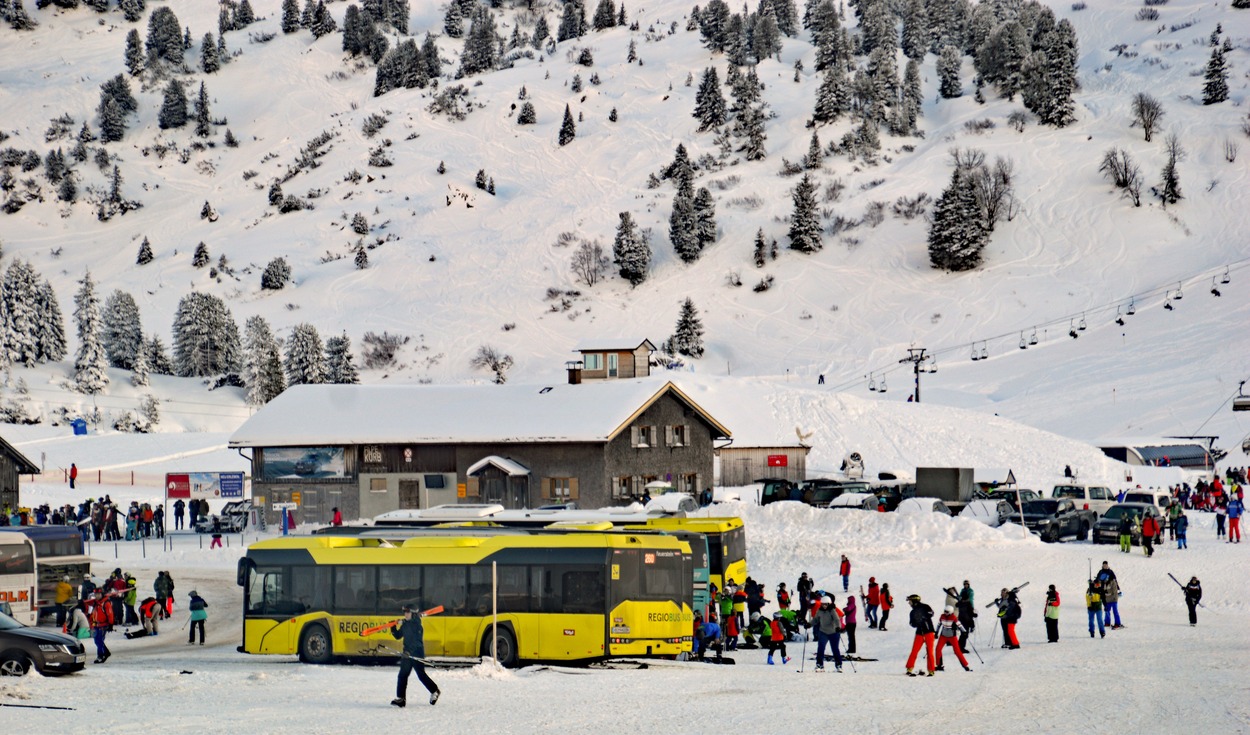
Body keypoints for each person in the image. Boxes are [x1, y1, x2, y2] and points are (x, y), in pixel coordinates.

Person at [391, 604, 440, 707]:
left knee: (421, 675)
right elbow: (398, 636)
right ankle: (401, 699)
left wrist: (409, 651)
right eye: (405, 612)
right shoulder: (405, 624)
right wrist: (393, 628)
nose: (405, 614)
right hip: (406, 654)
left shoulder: (417, 626)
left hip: (416, 653)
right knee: (402, 675)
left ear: (413, 614)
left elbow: (417, 642)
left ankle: (435, 691)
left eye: (408, 612)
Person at [904, 594, 936, 677]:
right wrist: (915, 623)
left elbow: (931, 613)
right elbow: (911, 623)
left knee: (929, 651)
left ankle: (931, 670)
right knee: (914, 650)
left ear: (914, 601)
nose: (909, 603)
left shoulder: (925, 606)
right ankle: (909, 668)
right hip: (919, 633)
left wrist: (923, 617)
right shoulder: (912, 612)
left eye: (910, 601)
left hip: (928, 632)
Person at [934, 605, 972, 672]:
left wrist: (964, 632)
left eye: (947, 612)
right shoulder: (942, 616)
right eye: (945, 611)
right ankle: (939, 665)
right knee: (938, 649)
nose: (945, 613)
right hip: (943, 636)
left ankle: (965, 666)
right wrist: (936, 632)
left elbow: (960, 625)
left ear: (951, 612)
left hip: (952, 637)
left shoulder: (953, 618)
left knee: (957, 651)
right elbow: (939, 624)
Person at [812, 595, 843, 672]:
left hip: (833, 633)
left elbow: (837, 620)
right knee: (820, 648)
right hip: (823, 632)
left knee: (835, 649)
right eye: (822, 604)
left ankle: (839, 665)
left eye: (826, 604)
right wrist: (809, 624)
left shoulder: (832, 610)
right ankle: (819, 665)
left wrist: (838, 627)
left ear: (829, 604)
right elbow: (815, 620)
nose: (824, 606)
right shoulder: (819, 611)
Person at [89, 589, 112, 663]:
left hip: (103, 625)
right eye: (96, 594)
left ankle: (101, 656)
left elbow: (110, 614)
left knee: (99, 641)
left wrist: (110, 624)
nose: (97, 596)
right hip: (96, 624)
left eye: (99, 594)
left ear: (102, 594)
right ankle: (106, 652)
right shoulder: (96, 603)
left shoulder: (105, 603)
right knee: (97, 641)